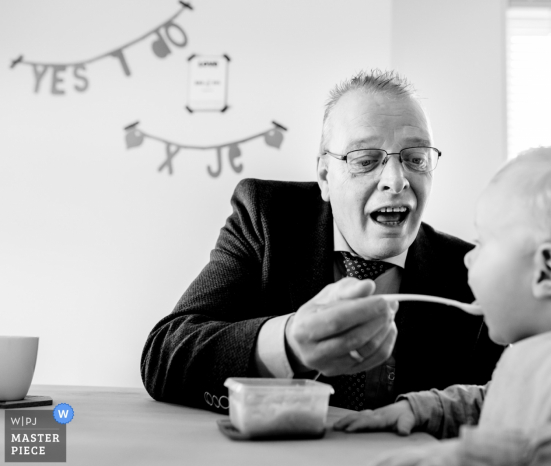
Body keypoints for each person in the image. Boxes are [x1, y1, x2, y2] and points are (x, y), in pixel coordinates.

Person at [140, 70, 504, 413]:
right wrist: (289, 343)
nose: (396, 179)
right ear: (325, 176)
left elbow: (498, 410)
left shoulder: (470, 273)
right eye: (365, 160)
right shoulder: (266, 217)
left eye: (416, 158)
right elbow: (165, 355)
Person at [334, 144, 551, 466]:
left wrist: (467, 458)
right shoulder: (536, 355)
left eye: (484, 243)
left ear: (548, 271)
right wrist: (419, 410)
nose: (469, 259)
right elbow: (494, 406)